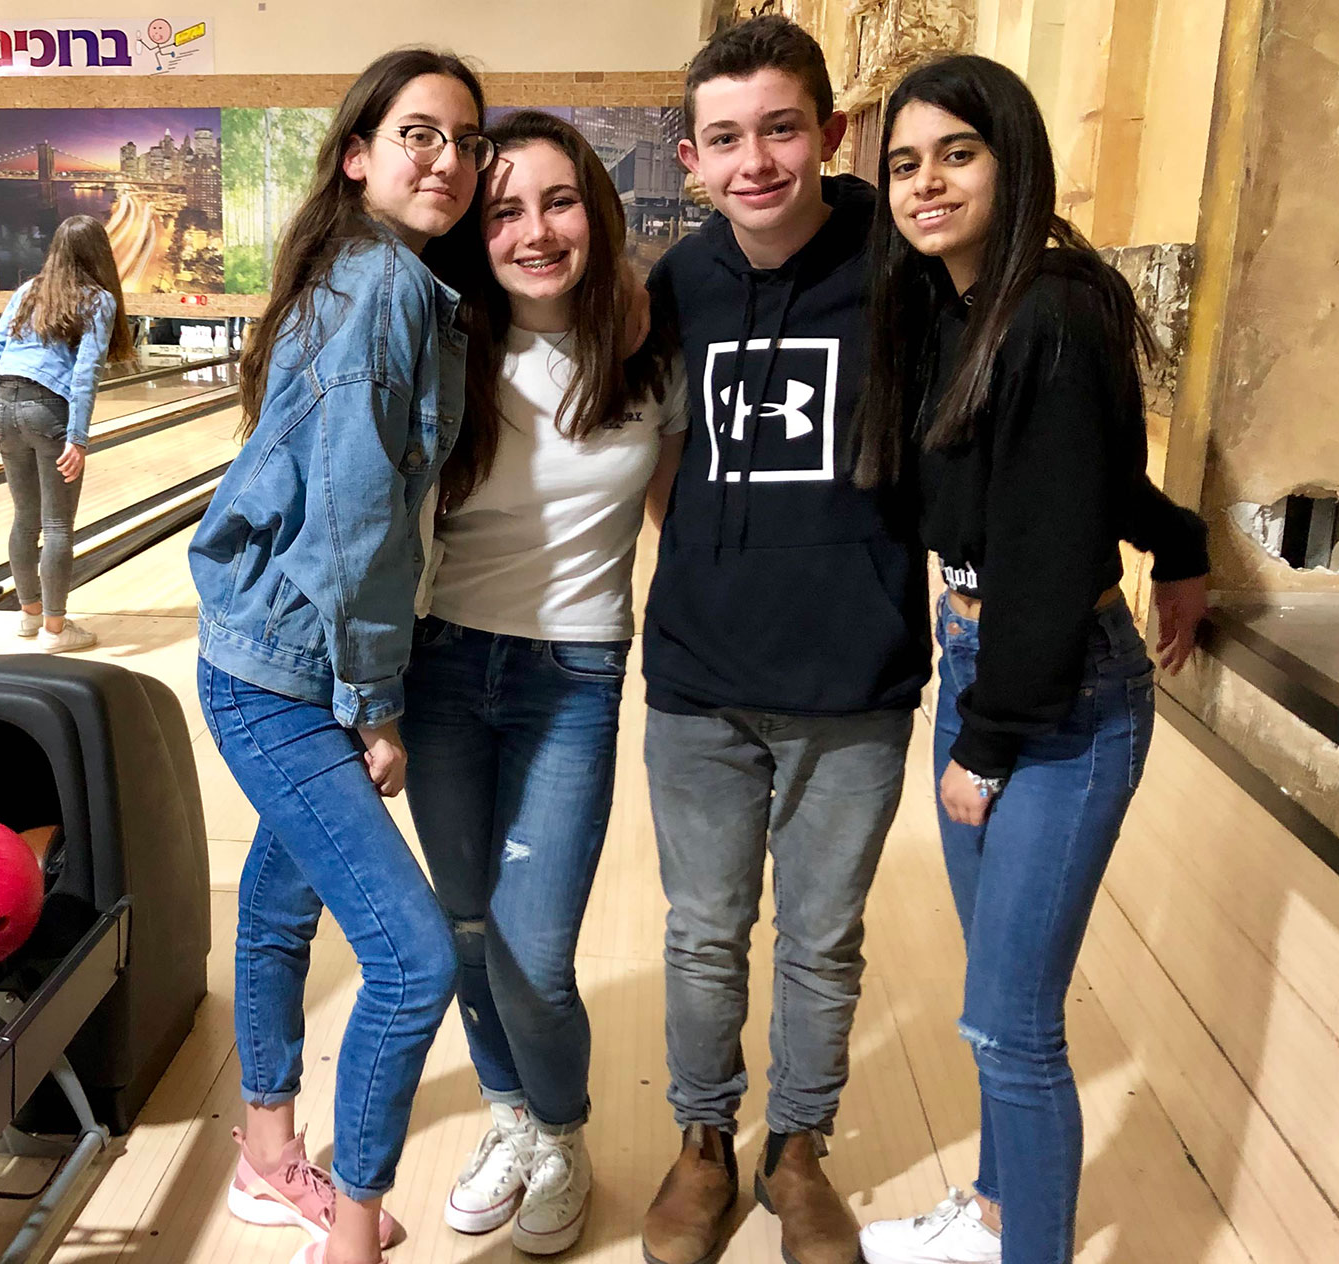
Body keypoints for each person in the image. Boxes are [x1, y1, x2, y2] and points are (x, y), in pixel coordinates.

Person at [636, 19, 1208, 1264]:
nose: (756, 161)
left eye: (784, 128)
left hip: (869, 669)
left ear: (830, 136)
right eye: (726, 139)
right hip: (701, 673)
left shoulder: (908, 265)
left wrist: (1172, 535)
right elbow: (649, 449)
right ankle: (701, 1142)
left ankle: (798, 1153)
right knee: (699, 928)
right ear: (690, 157)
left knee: (826, 938)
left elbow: (1054, 460)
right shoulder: (678, 284)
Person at [851, 55, 1185, 1264]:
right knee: (999, 1021)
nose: (926, 182)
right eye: (903, 163)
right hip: (979, 662)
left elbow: (1050, 562)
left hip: (1053, 696)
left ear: (1014, 158)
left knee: (1011, 1026)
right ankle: (992, 1215)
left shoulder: (1046, 307)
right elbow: (1080, 474)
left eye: (958, 153)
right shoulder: (953, 304)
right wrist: (1184, 535)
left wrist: (986, 745)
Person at [188, 47, 497, 1264]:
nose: (451, 161)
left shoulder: (367, 274)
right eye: (420, 134)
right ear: (359, 153)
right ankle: (353, 1236)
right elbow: (361, 525)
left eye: (467, 141)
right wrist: (376, 709)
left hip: (265, 655)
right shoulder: (380, 289)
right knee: (414, 960)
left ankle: (267, 1157)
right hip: (290, 681)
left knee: (274, 909)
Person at [399, 109, 679, 1256]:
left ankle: (563, 1129)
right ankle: (511, 1117)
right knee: (468, 931)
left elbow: (684, 521)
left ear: (597, 214)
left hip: (575, 674)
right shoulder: (440, 343)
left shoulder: (651, 350)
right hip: (444, 665)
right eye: (504, 209)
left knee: (535, 948)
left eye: (557, 202)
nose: (533, 230)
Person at [0, 214, 135, 653]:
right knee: (58, 524)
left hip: (4, 402)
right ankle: (56, 630)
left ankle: (29, 616)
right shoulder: (98, 299)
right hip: (48, 409)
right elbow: (86, 372)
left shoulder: (27, 291)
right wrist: (78, 438)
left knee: (26, 520)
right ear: (100, 253)